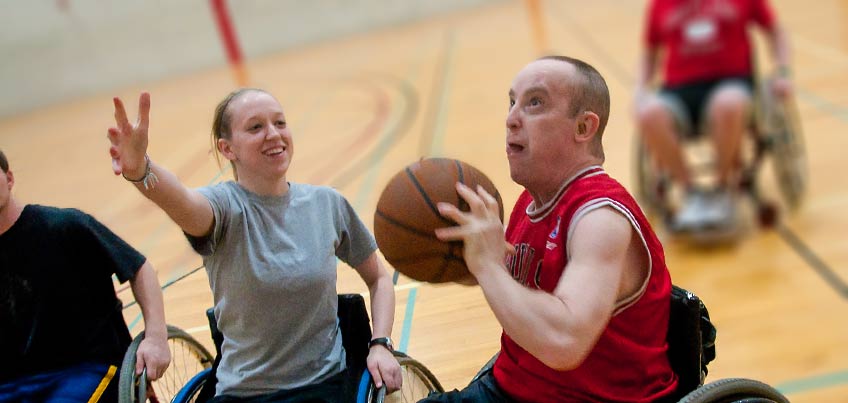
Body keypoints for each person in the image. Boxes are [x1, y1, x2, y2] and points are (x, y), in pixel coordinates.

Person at [105, 89, 402, 402]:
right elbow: (181, 200)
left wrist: (381, 344)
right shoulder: (223, 208)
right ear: (227, 148)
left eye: (280, 123)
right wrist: (141, 170)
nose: (273, 134)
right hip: (241, 394)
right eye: (255, 127)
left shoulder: (327, 204)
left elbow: (380, 279)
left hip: (323, 387)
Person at [421, 56, 678, 402]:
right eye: (512, 102)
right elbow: (518, 291)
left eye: (535, 103)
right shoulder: (530, 203)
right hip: (510, 388)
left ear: (584, 128)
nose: (511, 119)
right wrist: (462, 254)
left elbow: (565, 344)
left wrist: (486, 265)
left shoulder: (600, 218)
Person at [0, 148, 171, 402]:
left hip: (89, 369)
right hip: (13, 382)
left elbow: (139, 268)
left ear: (10, 179)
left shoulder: (63, 226)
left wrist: (156, 337)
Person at [635, 0, 793, 232]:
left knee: (727, 104)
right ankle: (692, 193)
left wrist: (783, 71)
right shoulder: (661, 4)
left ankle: (722, 189)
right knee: (648, 113)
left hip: (732, 81)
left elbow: (776, 32)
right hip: (679, 91)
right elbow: (649, 52)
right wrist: (639, 90)